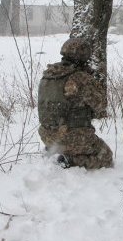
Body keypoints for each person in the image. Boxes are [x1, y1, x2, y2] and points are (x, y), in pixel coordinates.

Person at [38, 38, 113, 169]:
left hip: (46, 135)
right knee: (106, 155)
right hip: (71, 137)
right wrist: (93, 81)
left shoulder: (48, 75)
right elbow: (101, 105)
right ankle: (70, 160)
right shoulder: (80, 78)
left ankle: (55, 151)